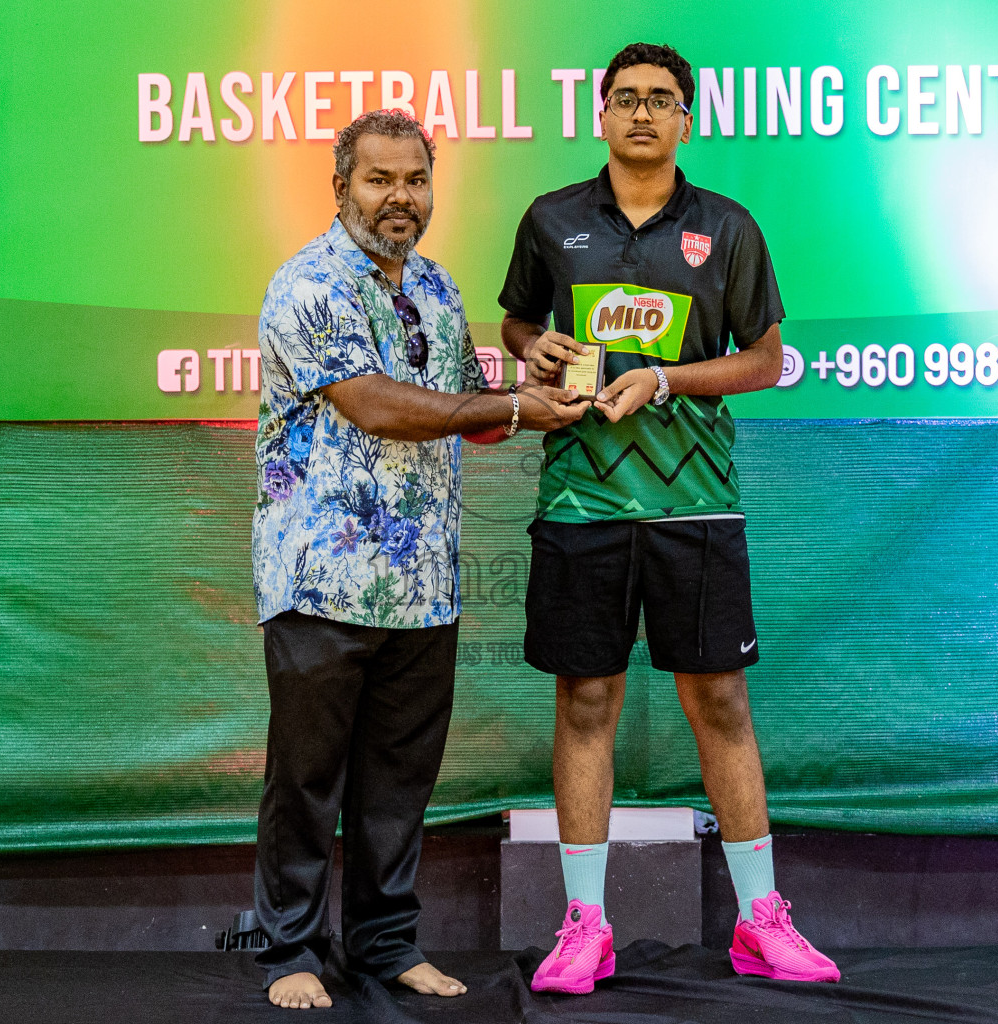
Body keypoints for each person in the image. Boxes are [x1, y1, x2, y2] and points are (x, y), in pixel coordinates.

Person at [498, 43, 841, 993]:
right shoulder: (550, 221)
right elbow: (517, 327)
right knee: (586, 703)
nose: (643, 113)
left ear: (687, 119)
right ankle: (584, 927)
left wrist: (665, 378)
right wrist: (536, 348)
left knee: (720, 705)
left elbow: (765, 360)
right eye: (627, 99)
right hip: (580, 500)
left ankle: (760, 921)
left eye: (663, 100)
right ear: (599, 115)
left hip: (696, 504)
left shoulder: (726, 228)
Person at [251, 108, 586, 1010]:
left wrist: (532, 390)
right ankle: (289, 952)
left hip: (422, 592)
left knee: (399, 788)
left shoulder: (435, 287)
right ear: (340, 187)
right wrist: (505, 408)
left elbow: (464, 413)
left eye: (415, 181)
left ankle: (386, 947)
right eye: (379, 180)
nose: (400, 198)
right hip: (321, 582)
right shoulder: (308, 283)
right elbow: (373, 404)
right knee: (307, 782)